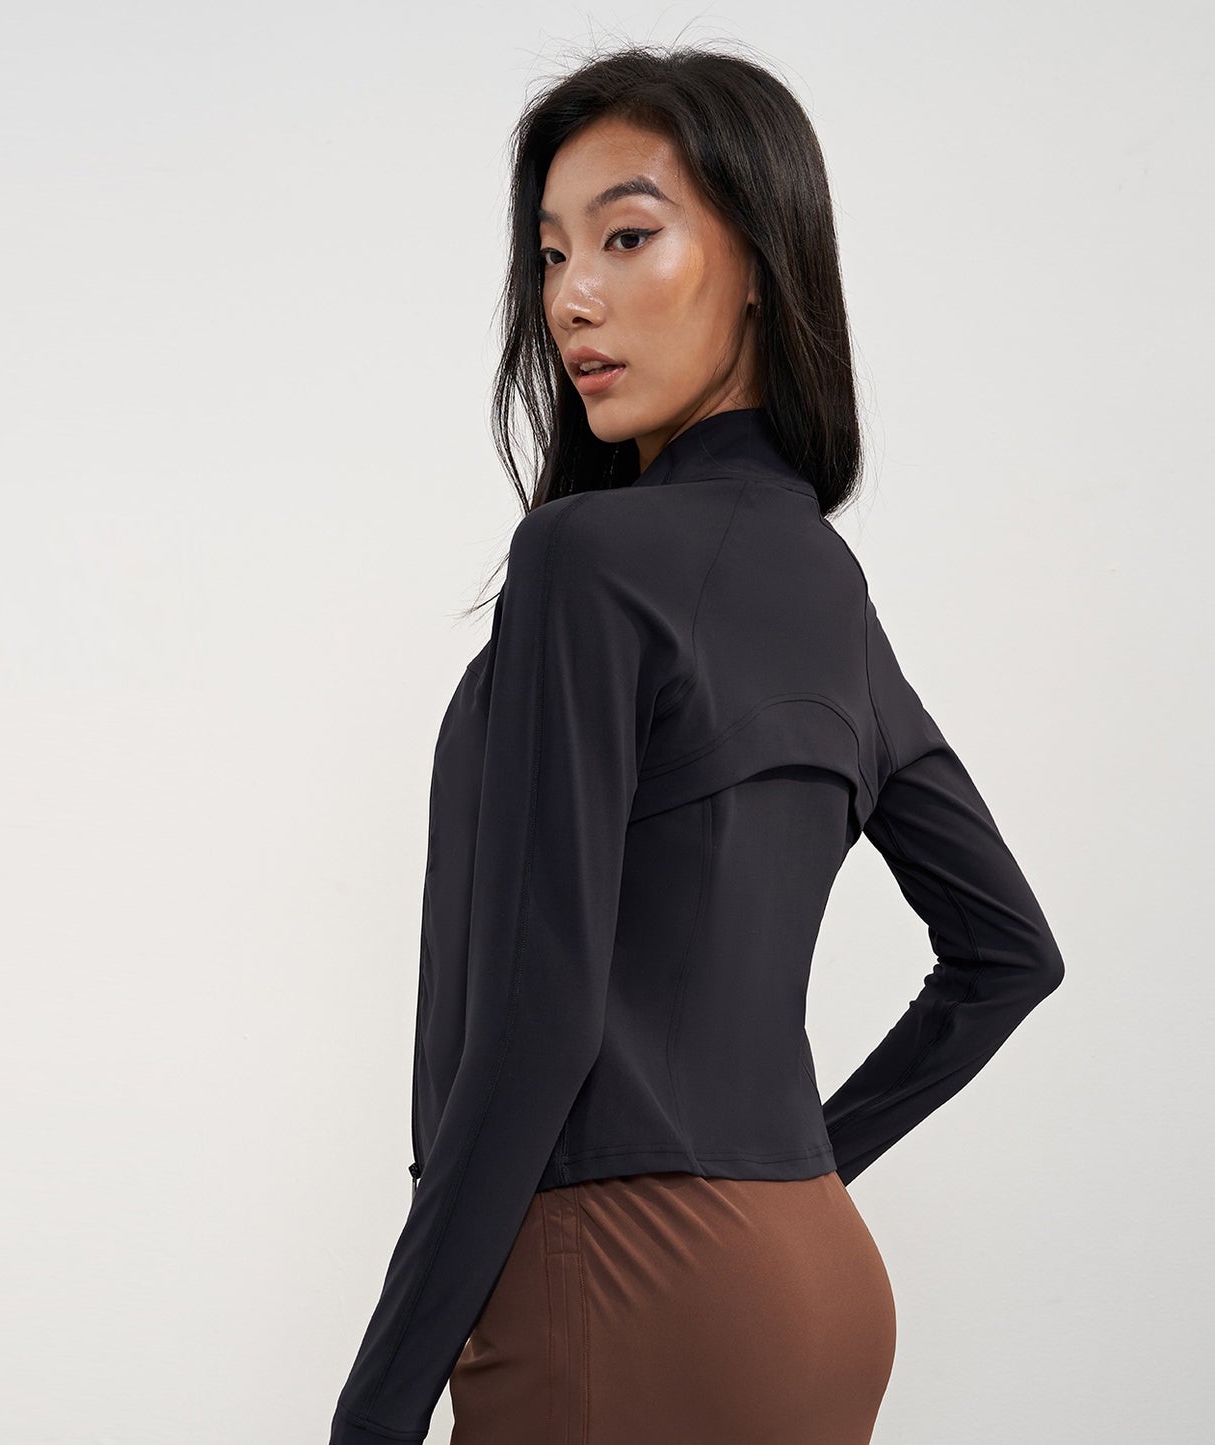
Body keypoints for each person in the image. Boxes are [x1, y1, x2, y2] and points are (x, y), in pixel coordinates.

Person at [329, 42, 1064, 1445]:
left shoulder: (582, 561)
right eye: (551, 254)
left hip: (617, 1288)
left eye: (626, 236)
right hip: (816, 1280)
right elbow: (1010, 952)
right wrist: (796, 1174)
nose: (571, 299)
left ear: (760, 263)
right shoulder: (828, 587)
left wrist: (376, 1407)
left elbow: (537, 1023)